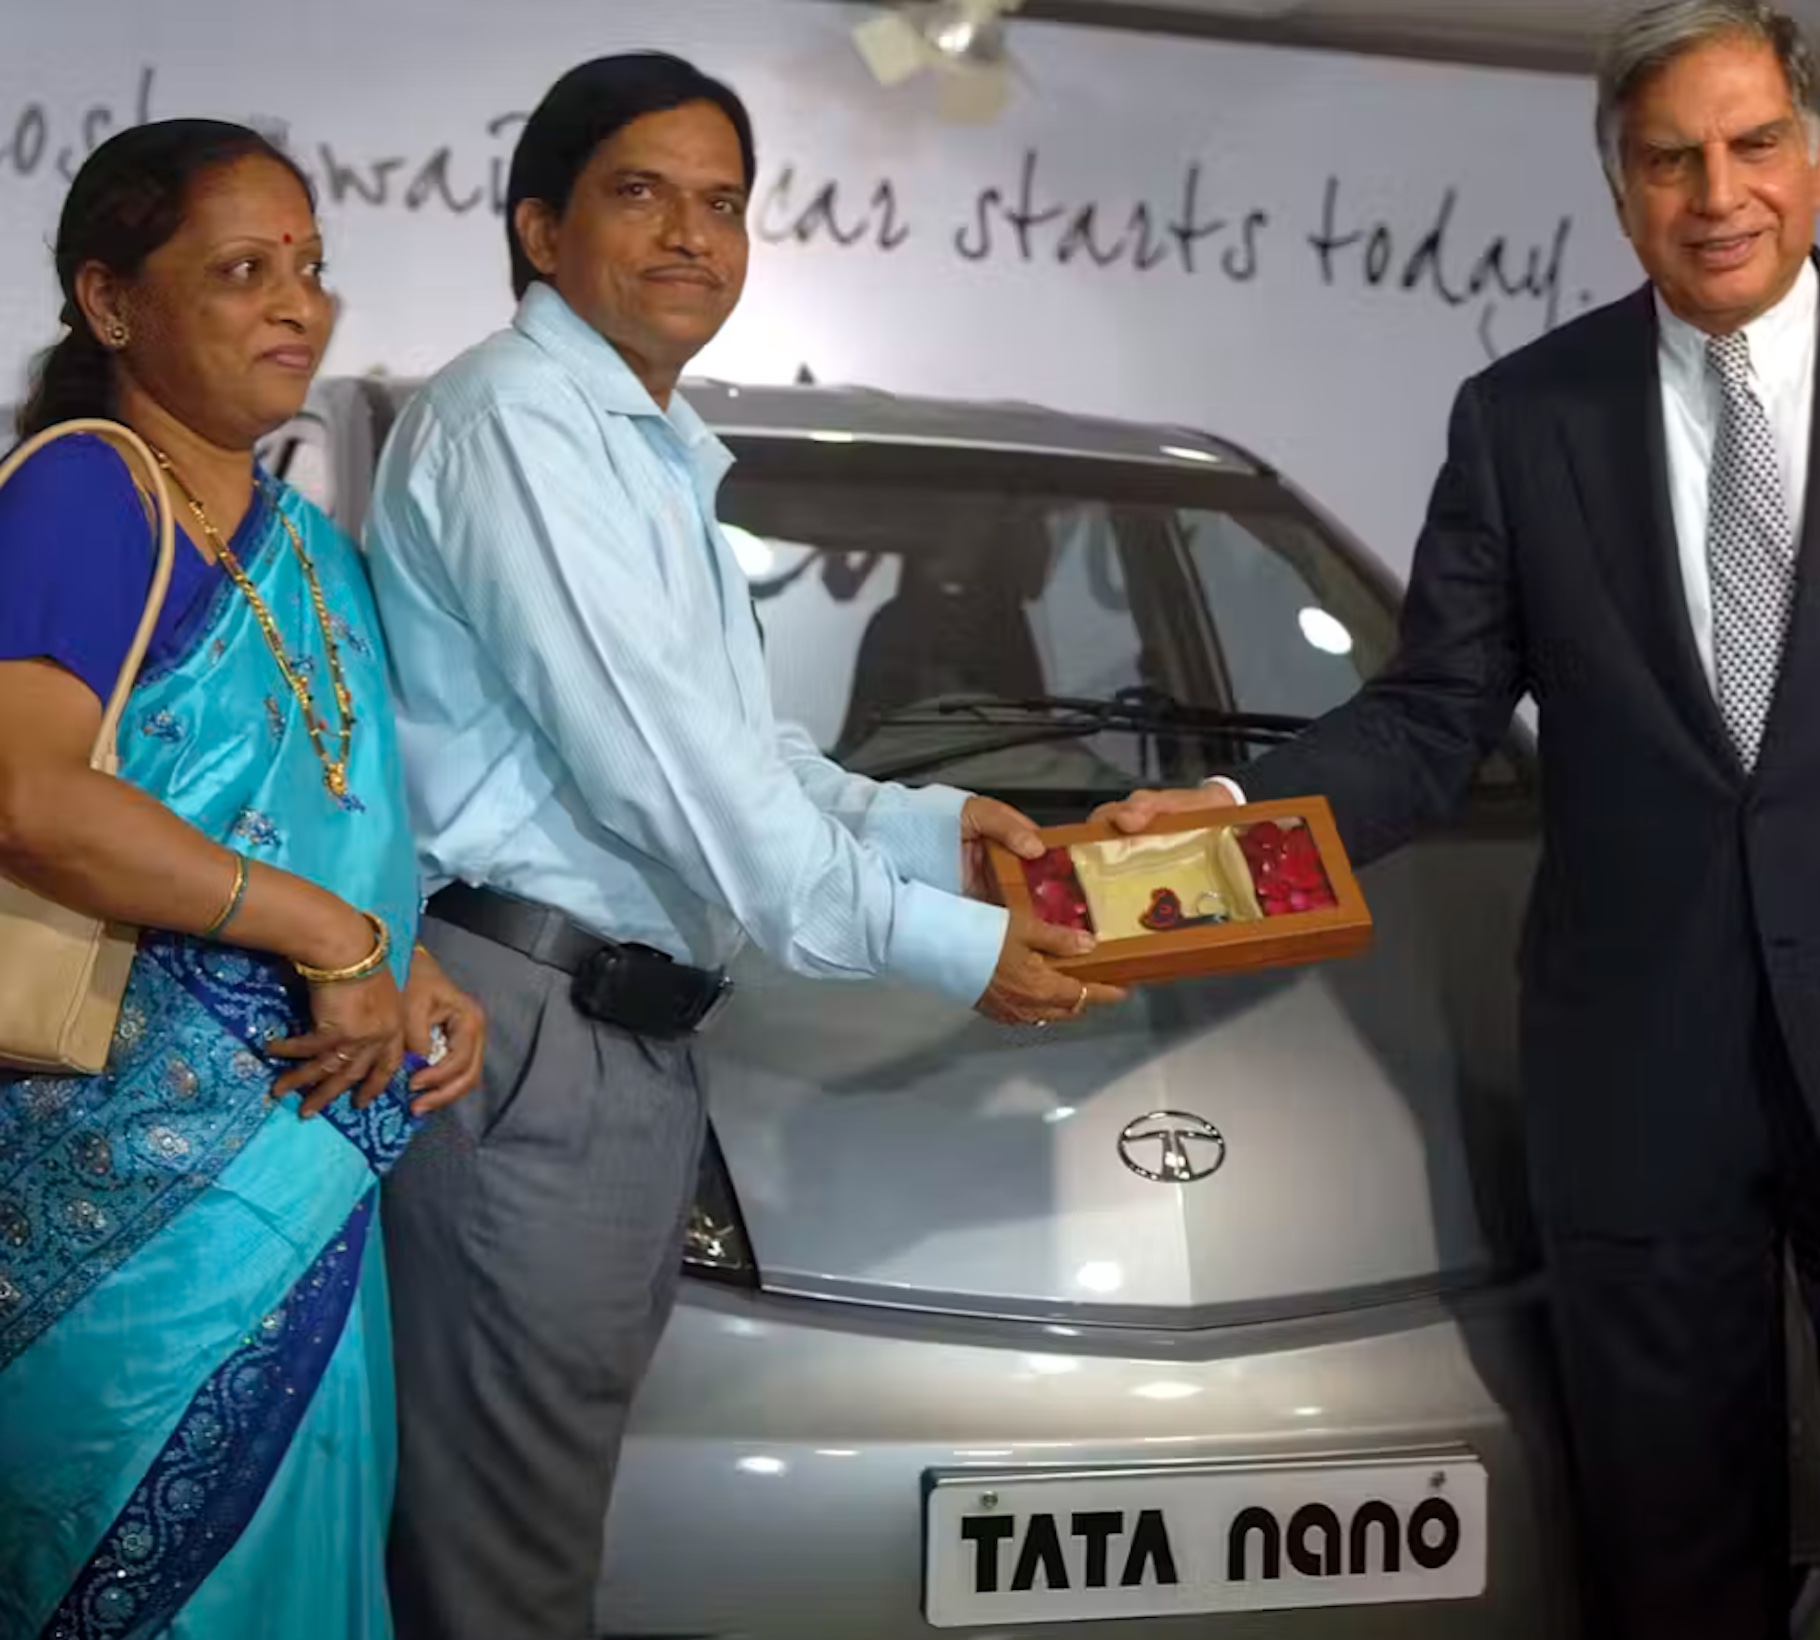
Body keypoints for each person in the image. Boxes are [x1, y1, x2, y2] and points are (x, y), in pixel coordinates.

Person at [1101, 3, 1820, 1635]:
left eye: (1748, 147)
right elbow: (1430, 720)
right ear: (1616, 182)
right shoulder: (1523, 419)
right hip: (1634, 1077)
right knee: (1664, 1549)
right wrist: (1227, 824)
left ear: (1814, 158)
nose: (1712, 192)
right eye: (1667, 159)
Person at [363, 53, 1117, 1639]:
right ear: (538, 226)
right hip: (528, 1026)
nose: (694, 236)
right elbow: (672, 779)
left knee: (537, 1541)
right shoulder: (515, 421)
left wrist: (935, 826)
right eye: (643, 194)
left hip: (616, 1038)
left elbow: (735, 751)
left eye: (723, 203)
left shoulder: (646, 439)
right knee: (502, 1574)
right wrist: (952, 945)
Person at [0, 121, 484, 1639]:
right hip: (125, 1186)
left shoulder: (309, 548)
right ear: (111, 300)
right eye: (242, 271)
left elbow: (337, 828)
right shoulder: (89, 493)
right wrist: (328, 933)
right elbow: (27, 794)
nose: (298, 305)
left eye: (312, 270)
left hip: (310, 1145)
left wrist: (407, 963)